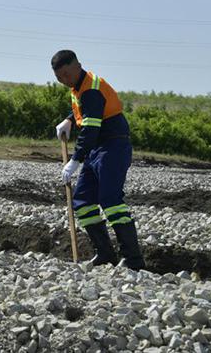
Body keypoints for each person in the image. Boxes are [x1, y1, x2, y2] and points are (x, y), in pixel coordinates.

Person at [52, 49, 144, 270]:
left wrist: (74, 161)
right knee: (82, 201)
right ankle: (105, 254)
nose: (64, 80)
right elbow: (84, 111)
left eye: (67, 74)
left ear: (78, 66)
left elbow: (91, 130)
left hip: (113, 146)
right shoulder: (79, 87)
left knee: (110, 200)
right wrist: (69, 120)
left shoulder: (91, 89)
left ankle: (133, 259)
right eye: (59, 77)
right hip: (97, 149)